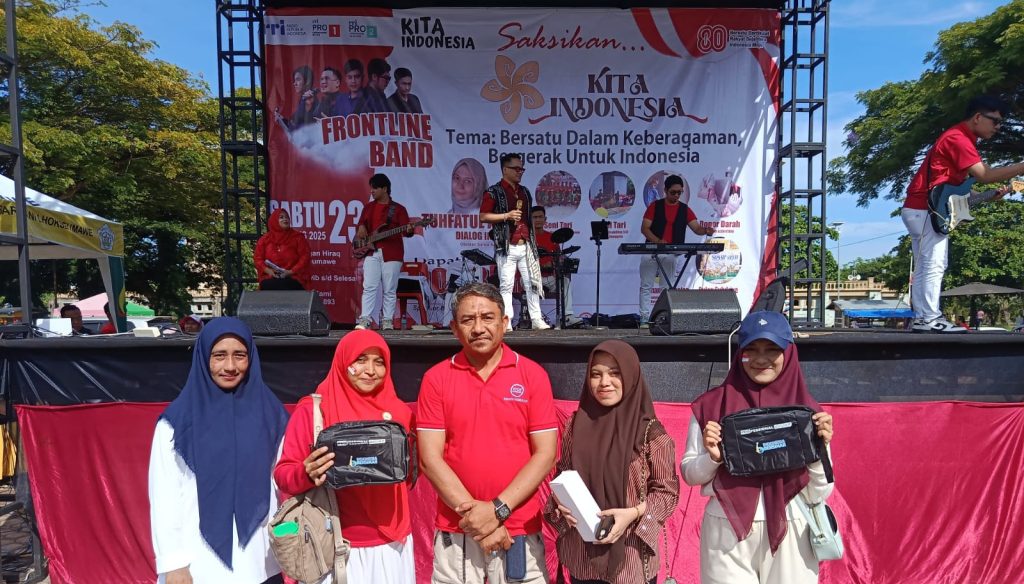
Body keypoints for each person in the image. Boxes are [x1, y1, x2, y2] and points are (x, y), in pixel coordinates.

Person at [417, 282, 558, 583]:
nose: (478, 328)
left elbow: (545, 455)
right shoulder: (436, 379)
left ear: (504, 323)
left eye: (487, 317)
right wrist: (480, 522)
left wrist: (498, 510)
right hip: (458, 532)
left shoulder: (532, 375)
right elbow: (429, 459)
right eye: (468, 320)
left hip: (518, 530)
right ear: (455, 329)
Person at [681, 311, 835, 584]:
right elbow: (690, 475)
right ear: (740, 352)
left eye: (772, 349)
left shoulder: (809, 412)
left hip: (793, 526)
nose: (761, 359)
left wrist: (816, 453)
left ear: (788, 353)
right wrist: (713, 458)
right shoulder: (711, 406)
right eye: (751, 349)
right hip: (726, 529)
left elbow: (818, 493)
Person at [149, 317, 289, 584]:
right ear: (204, 358)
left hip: (260, 562)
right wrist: (174, 564)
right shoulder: (176, 423)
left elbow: (282, 482)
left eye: (240, 355)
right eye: (219, 356)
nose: (230, 366)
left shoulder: (271, 415)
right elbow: (165, 497)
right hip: (197, 566)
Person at [274, 329, 416, 583]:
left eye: (379, 362)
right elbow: (283, 475)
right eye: (360, 360)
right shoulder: (314, 411)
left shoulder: (400, 414)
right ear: (343, 362)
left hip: (391, 546)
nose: (370, 370)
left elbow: (410, 475)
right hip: (335, 545)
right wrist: (306, 473)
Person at [544, 340, 680, 584]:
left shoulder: (651, 433)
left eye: (614, 373)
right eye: (596, 374)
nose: (604, 382)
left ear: (630, 375)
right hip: (582, 558)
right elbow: (563, 474)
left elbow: (667, 493)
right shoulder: (576, 426)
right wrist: (561, 504)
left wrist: (633, 513)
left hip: (631, 558)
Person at [902, 96, 1024, 333]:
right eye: (995, 121)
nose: (998, 127)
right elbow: (985, 174)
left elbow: (956, 189)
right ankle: (930, 318)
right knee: (934, 264)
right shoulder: (958, 138)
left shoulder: (960, 138)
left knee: (926, 265)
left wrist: (988, 196)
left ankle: (922, 317)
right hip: (925, 209)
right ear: (978, 117)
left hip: (921, 209)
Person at [479, 154, 550, 332]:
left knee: (532, 283)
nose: (520, 172)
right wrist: (507, 216)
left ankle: (536, 319)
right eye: (516, 169)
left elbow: (528, 219)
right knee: (506, 285)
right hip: (506, 246)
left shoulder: (525, 192)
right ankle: (507, 321)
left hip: (526, 244)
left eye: (522, 169)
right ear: (505, 169)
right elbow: (483, 216)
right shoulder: (493, 192)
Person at [638, 174, 715, 324]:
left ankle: (662, 318)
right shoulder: (655, 206)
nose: (676, 195)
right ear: (665, 190)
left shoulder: (685, 209)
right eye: (673, 192)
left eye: (679, 192)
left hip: (671, 253)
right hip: (651, 251)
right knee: (646, 285)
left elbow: (696, 228)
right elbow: (645, 228)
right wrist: (658, 241)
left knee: (666, 288)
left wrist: (706, 230)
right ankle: (644, 318)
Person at [355, 173, 413, 330]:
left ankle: (387, 321)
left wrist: (409, 229)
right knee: (369, 286)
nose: (372, 191)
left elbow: (407, 231)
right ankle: (365, 319)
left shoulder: (399, 209)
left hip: (392, 253)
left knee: (389, 289)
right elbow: (360, 226)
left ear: (385, 189)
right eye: (371, 188)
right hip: (371, 252)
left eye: (375, 188)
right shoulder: (368, 208)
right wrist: (360, 227)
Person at [528, 205, 584, 328]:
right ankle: (534, 319)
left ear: (545, 219)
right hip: (530, 278)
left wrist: (559, 262)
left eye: (540, 217)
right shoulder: (526, 238)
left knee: (565, 281)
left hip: (549, 278)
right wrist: (541, 266)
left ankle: (567, 316)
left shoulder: (552, 237)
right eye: (534, 217)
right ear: (529, 219)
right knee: (530, 282)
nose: (538, 220)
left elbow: (558, 258)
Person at [254, 208, 311, 291]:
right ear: (274, 220)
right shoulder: (265, 239)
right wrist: (268, 271)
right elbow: (258, 259)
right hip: (271, 276)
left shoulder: (298, 237)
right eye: (281, 217)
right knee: (268, 284)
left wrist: (290, 271)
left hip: (293, 276)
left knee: (285, 284)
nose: (285, 219)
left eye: (287, 217)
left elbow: (305, 257)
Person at [275, 65, 316, 131]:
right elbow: (296, 126)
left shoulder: (309, 100)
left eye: (298, 79)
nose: (295, 83)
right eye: (294, 80)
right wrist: (282, 120)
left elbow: (303, 127)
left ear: (307, 81)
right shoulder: (303, 100)